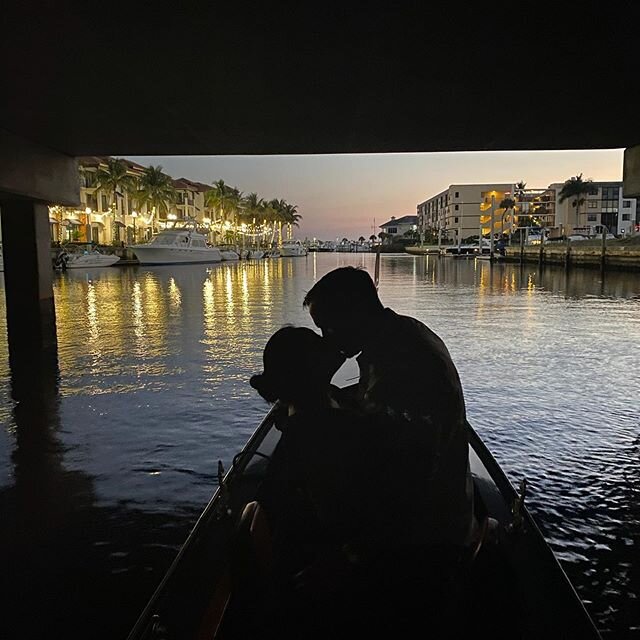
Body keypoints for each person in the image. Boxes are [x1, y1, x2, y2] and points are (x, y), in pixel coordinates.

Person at [303, 266, 474, 553]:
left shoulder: (401, 361)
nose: (326, 339)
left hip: (428, 536)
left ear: (353, 312)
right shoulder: (404, 333)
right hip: (445, 505)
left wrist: (353, 556)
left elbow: (408, 478)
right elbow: (380, 414)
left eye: (328, 327)